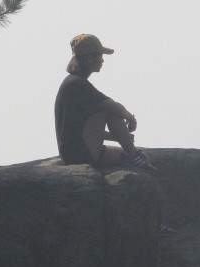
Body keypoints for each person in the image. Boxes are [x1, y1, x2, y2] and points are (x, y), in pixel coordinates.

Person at [54, 33, 153, 171]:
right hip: (81, 155)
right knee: (110, 110)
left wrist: (119, 136)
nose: (102, 61)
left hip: (73, 154)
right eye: (100, 56)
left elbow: (81, 129)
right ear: (90, 58)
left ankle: (132, 156)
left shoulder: (73, 83)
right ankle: (133, 154)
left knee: (132, 155)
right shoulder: (77, 85)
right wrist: (130, 118)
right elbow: (111, 106)